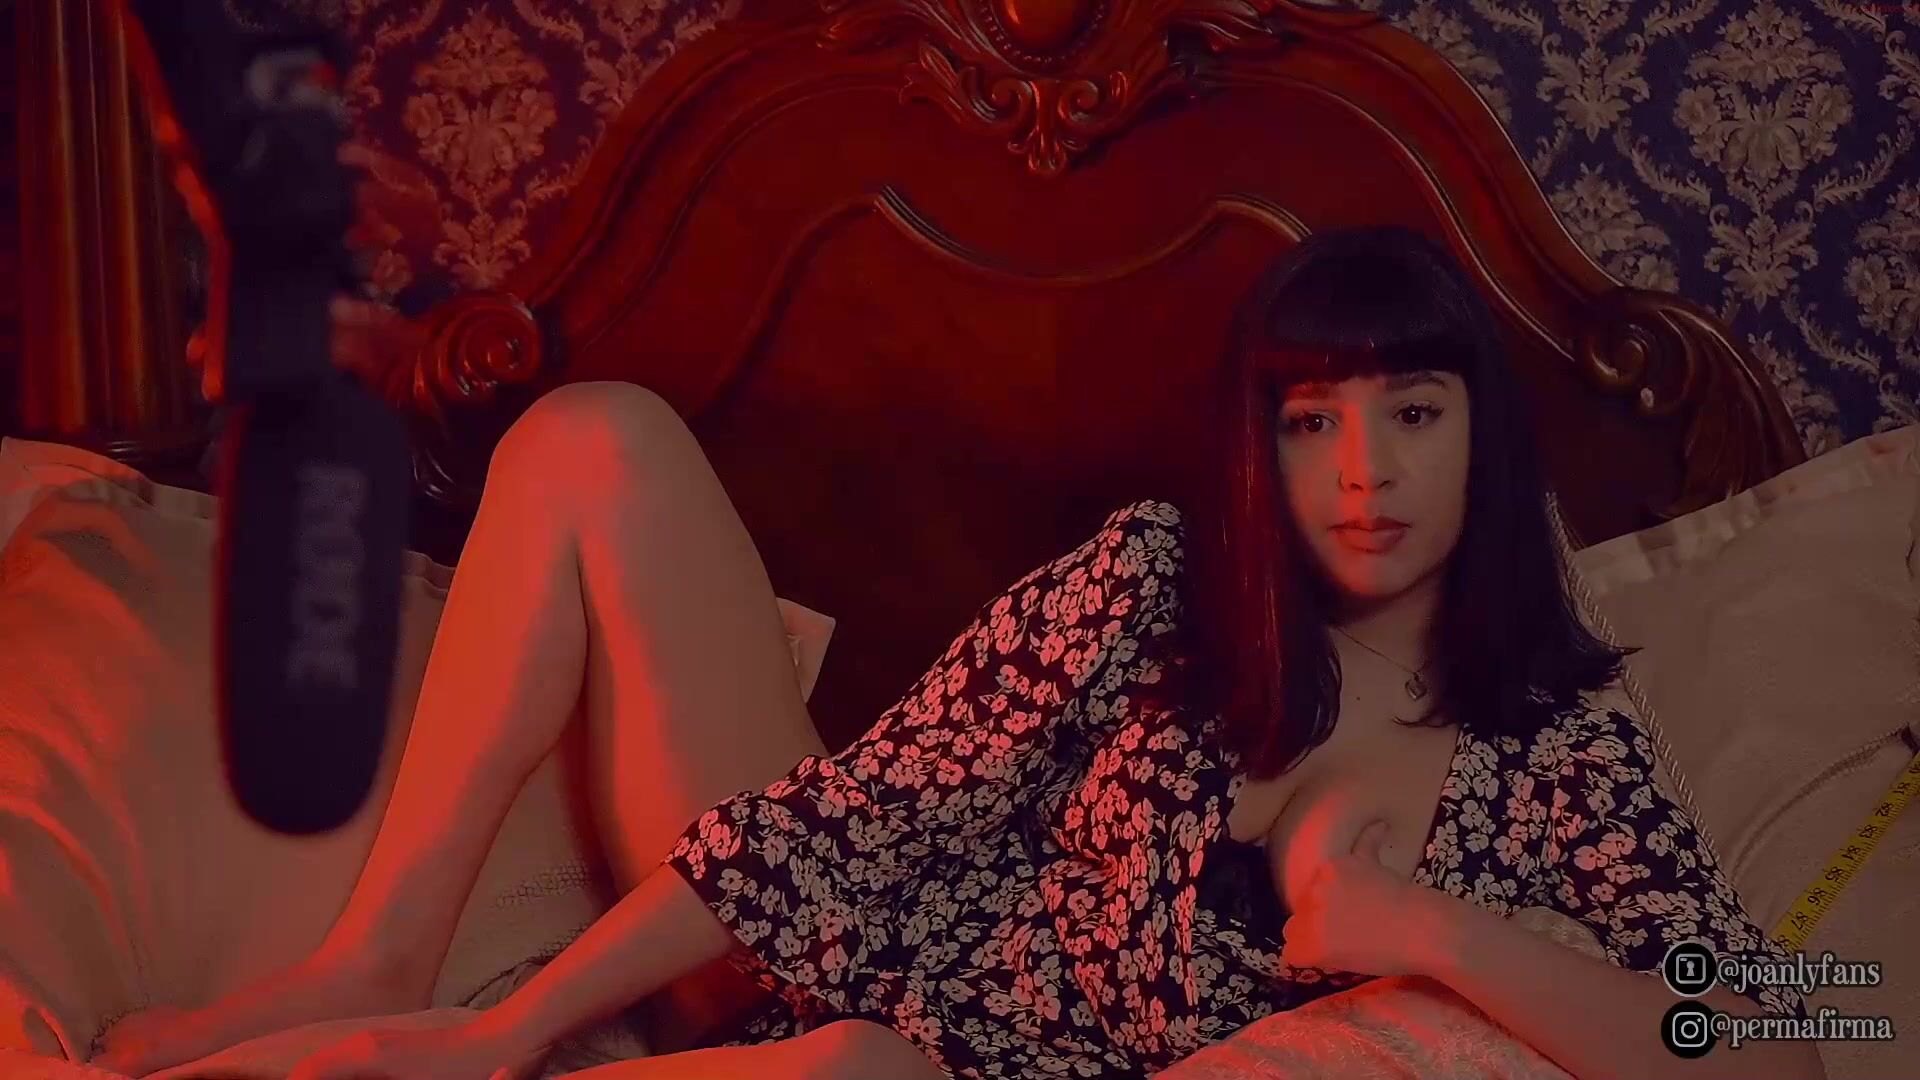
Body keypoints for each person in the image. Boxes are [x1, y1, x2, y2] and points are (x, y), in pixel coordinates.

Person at [94, 227, 1825, 1080]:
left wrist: (1422, 930)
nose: (1363, 474)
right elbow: (863, 813)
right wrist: (517, 1028)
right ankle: (386, 968)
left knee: (859, 1068)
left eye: (1414, 414)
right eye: (1313, 423)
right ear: (1263, 448)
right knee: (590, 433)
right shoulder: (1163, 580)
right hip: (797, 947)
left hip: (899, 1068)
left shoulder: (1561, 750)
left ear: (1484, 435)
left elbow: (1791, 1034)